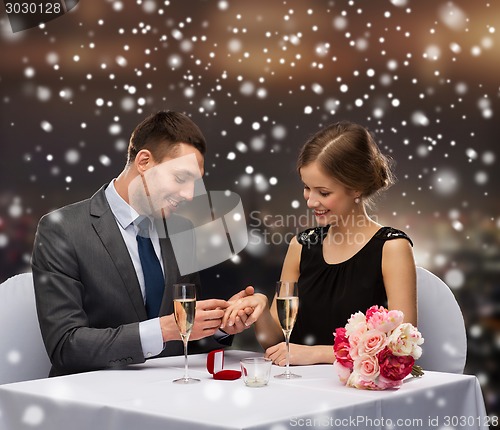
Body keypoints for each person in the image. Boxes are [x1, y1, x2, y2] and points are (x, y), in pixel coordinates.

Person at [32, 110, 252, 377]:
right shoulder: (62, 229)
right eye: (181, 178)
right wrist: (164, 329)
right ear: (144, 161)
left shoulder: (181, 230)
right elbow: (66, 347)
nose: (189, 194)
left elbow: (184, 339)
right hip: (93, 398)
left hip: (172, 393)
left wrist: (219, 324)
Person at [221, 121, 417, 366]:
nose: (311, 201)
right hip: (298, 389)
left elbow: (401, 346)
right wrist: (260, 308)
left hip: (358, 394)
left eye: (323, 192)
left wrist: (316, 354)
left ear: (356, 188)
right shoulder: (300, 246)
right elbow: (274, 342)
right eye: (306, 188)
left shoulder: (392, 248)